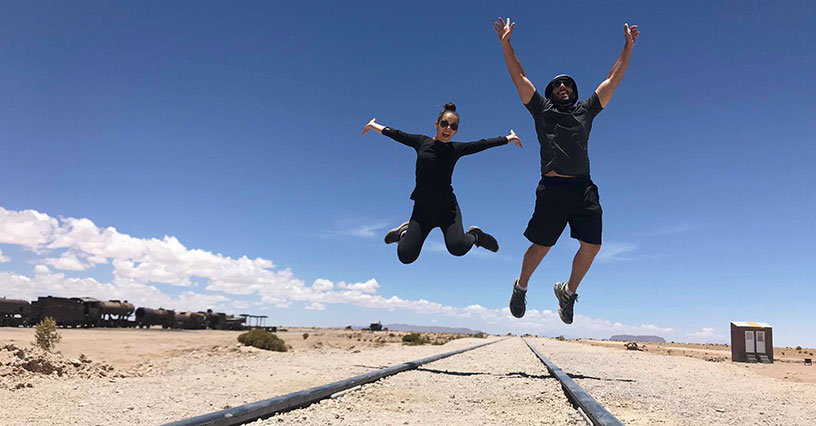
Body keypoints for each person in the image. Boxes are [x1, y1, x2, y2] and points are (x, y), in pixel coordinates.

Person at [493, 17, 640, 324]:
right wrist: (507, 44)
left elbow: (613, 79)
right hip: (553, 189)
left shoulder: (587, 110)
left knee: (593, 245)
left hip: (583, 188)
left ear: (574, 92)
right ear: (550, 93)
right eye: (557, 84)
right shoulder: (541, 110)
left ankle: (568, 293)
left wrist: (627, 47)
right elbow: (519, 75)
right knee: (542, 246)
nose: (563, 87)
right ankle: (521, 287)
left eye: (568, 84)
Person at [362, 102, 522, 264]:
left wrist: (508, 139)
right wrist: (374, 126)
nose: (448, 129)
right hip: (422, 210)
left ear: (456, 130)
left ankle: (476, 235)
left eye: (453, 127)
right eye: (444, 124)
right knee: (406, 256)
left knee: (457, 248)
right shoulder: (422, 142)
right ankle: (404, 232)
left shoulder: (455, 149)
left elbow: (482, 144)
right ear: (437, 124)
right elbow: (397, 134)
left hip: (447, 210)